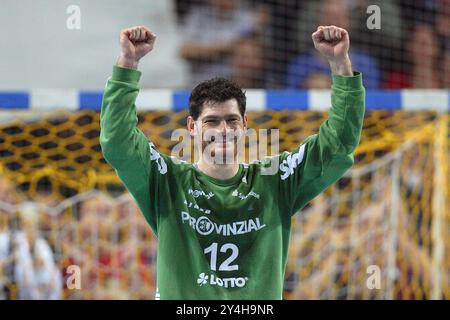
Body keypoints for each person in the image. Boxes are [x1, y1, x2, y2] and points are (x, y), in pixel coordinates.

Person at [100, 25, 365, 299]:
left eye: (231, 120)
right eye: (212, 121)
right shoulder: (167, 180)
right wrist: (128, 64)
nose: (223, 130)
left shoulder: (275, 180)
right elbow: (117, 142)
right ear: (192, 127)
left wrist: (339, 63)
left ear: (245, 125)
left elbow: (338, 146)